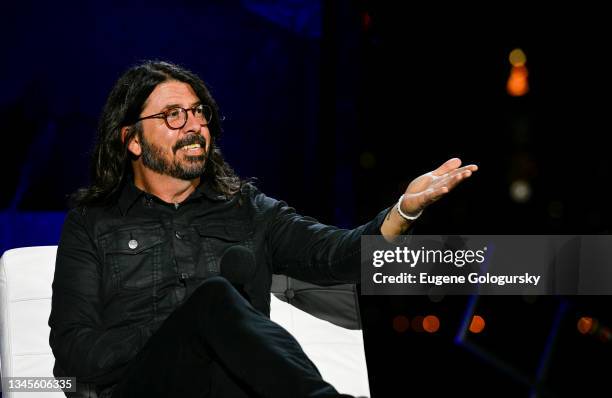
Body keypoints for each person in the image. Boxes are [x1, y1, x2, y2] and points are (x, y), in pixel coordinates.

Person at [48, 60, 477, 398]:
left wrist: (404, 211)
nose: (195, 126)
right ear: (133, 140)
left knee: (229, 320)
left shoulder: (247, 210)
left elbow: (338, 255)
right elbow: (74, 354)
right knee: (214, 300)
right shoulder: (93, 224)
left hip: (235, 387)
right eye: (174, 115)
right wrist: (185, 327)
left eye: (199, 112)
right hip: (145, 386)